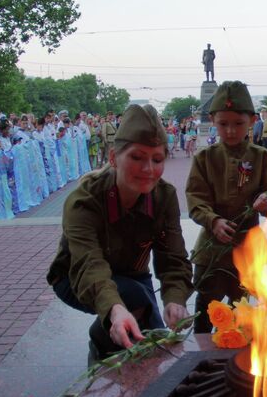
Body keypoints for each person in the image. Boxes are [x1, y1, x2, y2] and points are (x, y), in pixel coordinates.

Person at [47, 104, 193, 361]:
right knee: (133, 306)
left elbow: (172, 257)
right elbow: (89, 265)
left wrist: (175, 299)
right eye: (137, 157)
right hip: (76, 278)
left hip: (132, 275)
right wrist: (114, 310)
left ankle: (111, 330)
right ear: (114, 158)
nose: (148, 169)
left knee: (155, 339)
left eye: (157, 160)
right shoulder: (84, 201)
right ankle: (101, 343)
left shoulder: (164, 196)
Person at [185, 80, 267, 334]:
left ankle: (238, 362)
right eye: (223, 124)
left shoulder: (262, 157)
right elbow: (195, 197)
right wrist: (212, 220)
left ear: (253, 120)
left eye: (238, 124)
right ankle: (201, 359)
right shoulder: (205, 158)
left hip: (247, 246)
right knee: (205, 306)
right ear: (213, 120)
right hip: (211, 249)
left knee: (242, 309)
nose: (231, 131)